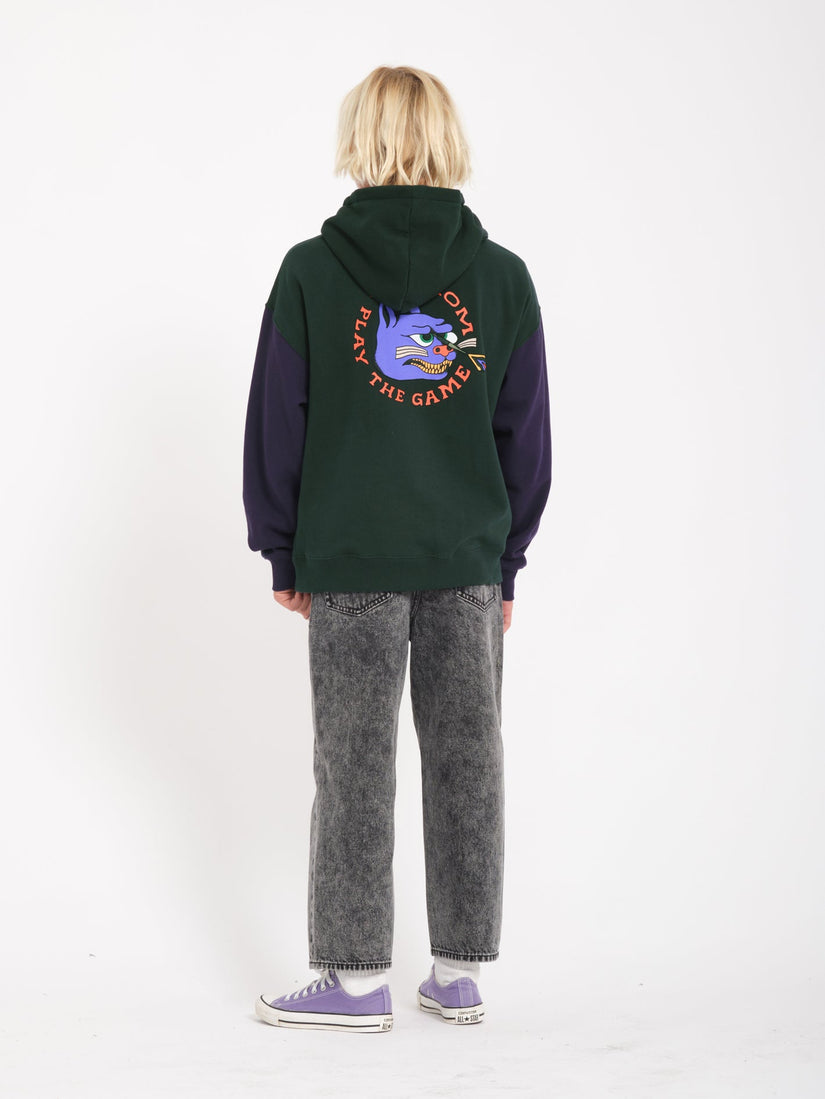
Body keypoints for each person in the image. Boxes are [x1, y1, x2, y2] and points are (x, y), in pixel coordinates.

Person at [243, 65, 551, 1033]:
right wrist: (507, 561)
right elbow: (525, 436)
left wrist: (284, 548)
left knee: (353, 765)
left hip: (351, 560)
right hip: (465, 562)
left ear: (359, 140)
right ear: (448, 138)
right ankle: (457, 973)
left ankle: (353, 982)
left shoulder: (311, 271)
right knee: (469, 763)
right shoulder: (502, 279)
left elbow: (277, 421)